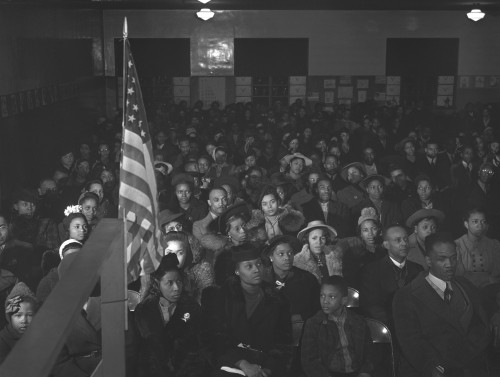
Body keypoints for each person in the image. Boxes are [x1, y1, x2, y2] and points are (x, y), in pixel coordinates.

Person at [393, 232, 491, 377]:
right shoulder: (406, 296)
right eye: (442, 259)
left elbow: (481, 324)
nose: (449, 265)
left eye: (453, 258)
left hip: (472, 367)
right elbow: (412, 343)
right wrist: (436, 367)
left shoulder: (466, 285)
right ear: (428, 261)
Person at [203, 243, 293, 377]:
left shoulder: (277, 299)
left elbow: (282, 342)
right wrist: (242, 363)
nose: (256, 270)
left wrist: (267, 370)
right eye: (248, 266)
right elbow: (216, 339)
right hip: (231, 364)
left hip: (266, 367)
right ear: (237, 271)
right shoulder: (221, 298)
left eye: (259, 264)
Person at [134, 253, 205, 377]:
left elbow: (198, 348)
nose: (177, 288)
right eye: (170, 283)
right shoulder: (144, 310)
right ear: (157, 283)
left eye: (179, 282)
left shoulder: (191, 308)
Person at [301, 275, 374, 377]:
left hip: (356, 373)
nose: (325, 301)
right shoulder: (314, 324)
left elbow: (368, 352)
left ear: (344, 300)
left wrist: (365, 372)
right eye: (322, 295)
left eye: (332, 297)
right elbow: (309, 360)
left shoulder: (358, 321)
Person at [261, 235, 320, 347]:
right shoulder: (262, 281)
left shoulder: (307, 279)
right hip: (270, 339)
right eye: (281, 254)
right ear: (271, 257)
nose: (287, 257)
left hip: (303, 337)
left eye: (290, 253)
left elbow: (316, 311)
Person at [360, 224, 422, 328]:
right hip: (388, 328)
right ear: (386, 245)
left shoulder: (418, 269)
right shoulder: (372, 271)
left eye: (406, 239)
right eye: (398, 240)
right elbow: (372, 306)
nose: (404, 244)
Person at [336, 208, 386, 290]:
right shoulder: (352, 253)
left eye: (373, 229)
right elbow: (351, 280)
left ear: (379, 230)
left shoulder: (385, 251)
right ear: (361, 233)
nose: (370, 234)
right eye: (365, 230)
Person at [163, 231, 214, 303]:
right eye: (169, 252)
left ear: (186, 254)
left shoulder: (196, 275)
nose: (174, 257)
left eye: (180, 253)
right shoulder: (153, 277)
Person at [455, 208, 500, 288]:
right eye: (475, 221)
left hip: (491, 288)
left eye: (483, 222)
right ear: (466, 224)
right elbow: (458, 274)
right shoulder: (457, 245)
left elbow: (496, 273)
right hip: (466, 289)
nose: (480, 225)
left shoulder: (494, 244)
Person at [0, 282, 39, 364]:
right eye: (18, 315)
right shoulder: (3, 340)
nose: (24, 320)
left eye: (29, 315)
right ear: (10, 317)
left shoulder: (40, 334)